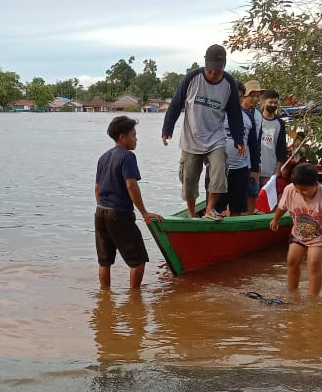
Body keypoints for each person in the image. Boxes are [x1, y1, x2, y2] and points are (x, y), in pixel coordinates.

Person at [161, 44, 245, 221]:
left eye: (217, 71)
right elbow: (176, 104)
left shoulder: (229, 83)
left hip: (216, 137)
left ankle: (209, 210)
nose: (214, 74)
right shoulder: (192, 78)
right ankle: (192, 215)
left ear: (223, 66)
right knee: (189, 180)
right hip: (191, 137)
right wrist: (167, 129)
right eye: (211, 70)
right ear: (205, 64)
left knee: (219, 172)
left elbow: (235, 114)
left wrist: (239, 139)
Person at [95, 116, 163, 289]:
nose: (136, 139)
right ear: (122, 137)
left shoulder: (103, 158)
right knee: (138, 260)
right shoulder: (127, 157)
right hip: (119, 214)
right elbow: (131, 185)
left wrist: (103, 206)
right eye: (133, 135)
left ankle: (105, 296)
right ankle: (134, 299)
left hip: (100, 212)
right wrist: (144, 213)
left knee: (105, 261)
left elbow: (97, 188)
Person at [269, 162, 322, 296]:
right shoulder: (290, 190)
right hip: (299, 232)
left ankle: (314, 300)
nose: (301, 194)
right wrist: (275, 219)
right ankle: (292, 293)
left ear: (316, 185)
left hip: (321, 235)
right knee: (291, 260)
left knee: (313, 263)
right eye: (298, 190)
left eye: (305, 190)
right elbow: (282, 206)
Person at [215, 82, 258, 216]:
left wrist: (255, 169)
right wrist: (206, 160)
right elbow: (205, 138)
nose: (235, 99)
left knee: (237, 207)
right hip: (219, 168)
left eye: (238, 97)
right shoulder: (216, 115)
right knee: (215, 207)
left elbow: (253, 145)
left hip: (241, 169)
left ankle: (233, 232)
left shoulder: (248, 117)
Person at [242, 80, 264, 214]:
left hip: (252, 159)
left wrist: (256, 166)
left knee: (252, 191)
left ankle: (249, 217)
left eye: (257, 96)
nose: (255, 99)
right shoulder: (235, 112)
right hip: (236, 161)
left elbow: (257, 141)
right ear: (244, 96)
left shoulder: (258, 114)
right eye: (252, 95)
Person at [259, 89, 287, 187]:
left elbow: (281, 148)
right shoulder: (255, 118)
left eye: (275, 103)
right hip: (254, 169)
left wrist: (278, 169)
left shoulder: (279, 124)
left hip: (270, 170)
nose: (272, 105)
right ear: (264, 102)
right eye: (270, 102)